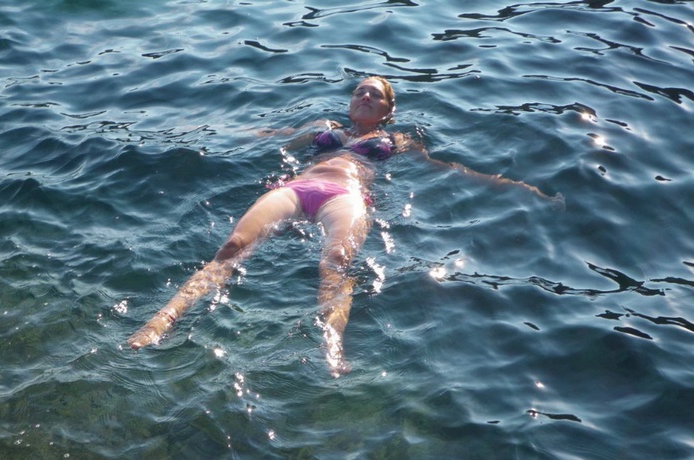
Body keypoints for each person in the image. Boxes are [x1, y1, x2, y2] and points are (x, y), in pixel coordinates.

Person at [128, 77, 560, 376]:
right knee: (232, 246)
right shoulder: (325, 128)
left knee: (335, 261)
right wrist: (201, 128)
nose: (365, 97)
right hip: (297, 188)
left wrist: (514, 186)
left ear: (388, 109)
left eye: (375, 94)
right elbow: (268, 135)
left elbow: (449, 169)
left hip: (347, 196)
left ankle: (331, 345)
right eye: (359, 91)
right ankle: (162, 320)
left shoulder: (398, 141)